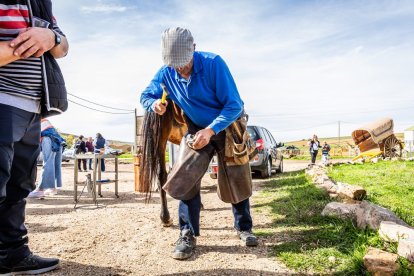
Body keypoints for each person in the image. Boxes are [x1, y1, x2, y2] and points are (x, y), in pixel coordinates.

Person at [140, 27, 258, 260]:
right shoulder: (165, 72)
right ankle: (186, 232)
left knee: (236, 175)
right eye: (175, 64)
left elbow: (233, 104)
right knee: (187, 176)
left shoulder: (214, 64)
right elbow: (145, 94)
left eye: (184, 62)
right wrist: (154, 104)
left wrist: (212, 129)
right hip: (195, 129)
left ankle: (244, 228)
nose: (180, 69)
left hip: (227, 125)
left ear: (194, 48)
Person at [0, 0, 69, 274]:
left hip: (32, 106)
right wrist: (24, 45)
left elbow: (63, 48)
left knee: (19, 186)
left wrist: (50, 36)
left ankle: (13, 254)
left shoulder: (39, 3)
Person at [29, 119, 65, 198]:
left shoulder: (30, 118)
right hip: (58, 139)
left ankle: (40, 189)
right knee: (55, 164)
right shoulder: (41, 117)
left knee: (48, 163)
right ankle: (52, 188)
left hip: (48, 138)